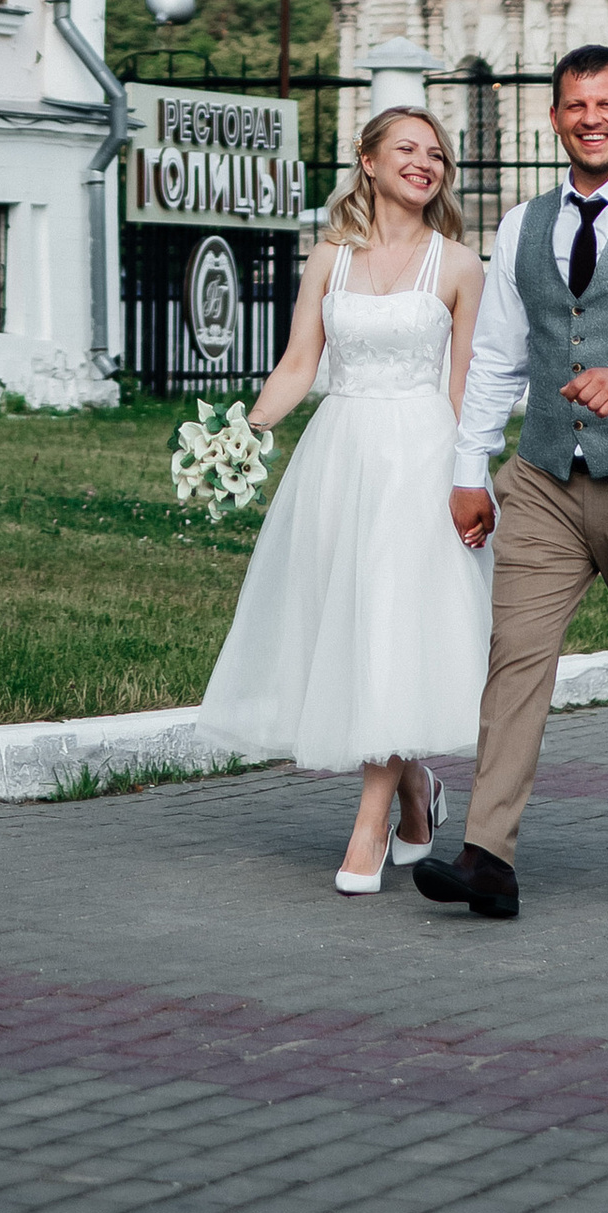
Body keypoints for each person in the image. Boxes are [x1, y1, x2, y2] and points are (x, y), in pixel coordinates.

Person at [415, 45, 608, 924]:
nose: (592, 119)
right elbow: (498, 358)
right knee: (514, 659)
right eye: (575, 105)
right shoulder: (523, 224)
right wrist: (470, 470)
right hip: (545, 478)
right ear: (554, 118)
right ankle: (488, 856)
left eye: (607, 104)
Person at [199, 104, 491, 893]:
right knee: (356, 626)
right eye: (407, 149)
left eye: (436, 154)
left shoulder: (460, 266)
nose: (424, 164)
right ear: (369, 160)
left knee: (392, 626)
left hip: (421, 457)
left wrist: (472, 479)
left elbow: (465, 387)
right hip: (340, 455)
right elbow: (301, 363)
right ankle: (416, 789)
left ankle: (369, 827)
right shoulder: (330, 255)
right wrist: (241, 435)